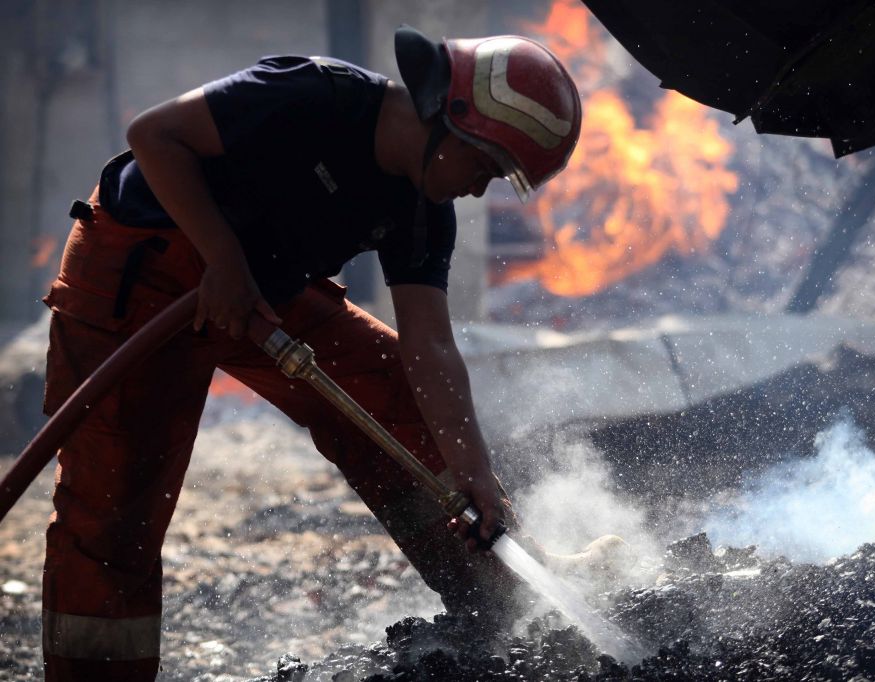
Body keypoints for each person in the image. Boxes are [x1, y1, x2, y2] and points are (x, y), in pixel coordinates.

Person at [40, 25, 581, 681]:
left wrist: (470, 471)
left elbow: (430, 346)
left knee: (390, 394)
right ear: (452, 122)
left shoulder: (422, 210)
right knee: (114, 509)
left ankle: (496, 600)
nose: (479, 190)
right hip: (138, 271)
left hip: (260, 288)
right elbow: (155, 135)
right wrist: (222, 258)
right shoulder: (311, 97)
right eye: (485, 169)